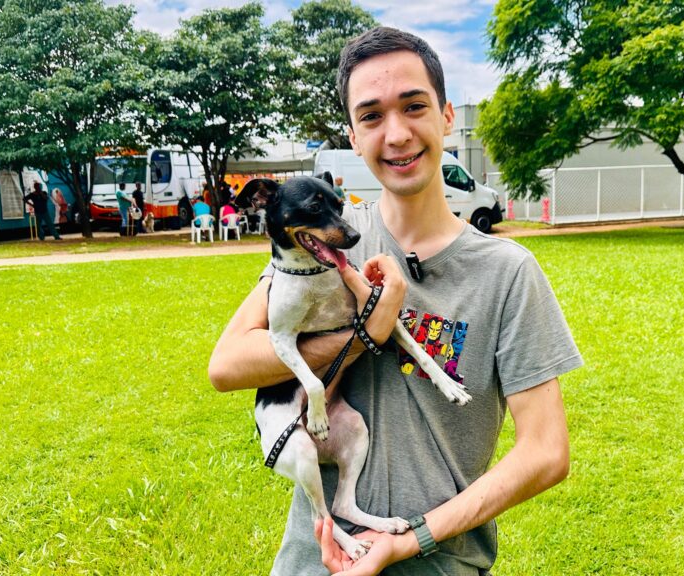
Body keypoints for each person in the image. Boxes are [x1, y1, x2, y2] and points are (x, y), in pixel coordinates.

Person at [209, 27, 581, 576]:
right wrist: (361, 336)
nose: (397, 134)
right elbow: (226, 365)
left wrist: (411, 539)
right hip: (312, 561)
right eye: (372, 116)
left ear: (447, 116)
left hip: (437, 563)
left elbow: (546, 453)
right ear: (354, 136)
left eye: (414, 106)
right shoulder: (321, 245)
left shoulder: (508, 273)